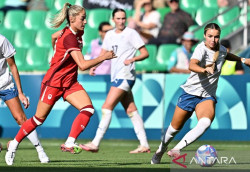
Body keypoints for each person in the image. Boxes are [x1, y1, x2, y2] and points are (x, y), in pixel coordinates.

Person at [5, 3, 116, 166]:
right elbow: (83, 65)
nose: (85, 22)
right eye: (82, 19)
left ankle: (70, 142)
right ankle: (13, 145)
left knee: (88, 109)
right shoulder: (70, 37)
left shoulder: (77, 31)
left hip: (70, 83)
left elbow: (53, 37)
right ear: (72, 19)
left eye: (85, 18)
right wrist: (103, 57)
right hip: (54, 83)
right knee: (38, 120)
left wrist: (56, 55)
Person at [151, 23, 250, 164]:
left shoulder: (221, 49)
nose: (213, 39)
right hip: (190, 93)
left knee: (205, 122)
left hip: (207, 95)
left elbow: (226, 54)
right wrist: (204, 70)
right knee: (173, 129)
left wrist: (242, 59)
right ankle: (160, 150)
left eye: (216, 36)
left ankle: (177, 149)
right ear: (204, 36)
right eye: (210, 36)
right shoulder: (201, 49)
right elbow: (191, 65)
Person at [80, 8, 151, 154]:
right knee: (131, 110)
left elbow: (145, 53)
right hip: (116, 76)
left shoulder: (131, 33)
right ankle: (144, 145)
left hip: (126, 75)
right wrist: (94, 66)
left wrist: (133, 59)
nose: (121, 21)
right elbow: (103, 54)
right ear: (113, 19)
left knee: (106, 107)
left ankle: (95, 142)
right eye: (118, 18)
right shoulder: (110, 35)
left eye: (123, 18)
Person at [0, 33, 49, 163]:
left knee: (21, 119)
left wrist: (21, 93)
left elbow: (13, 66)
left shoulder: (2, 40)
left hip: (5, 86)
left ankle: (40, 150)